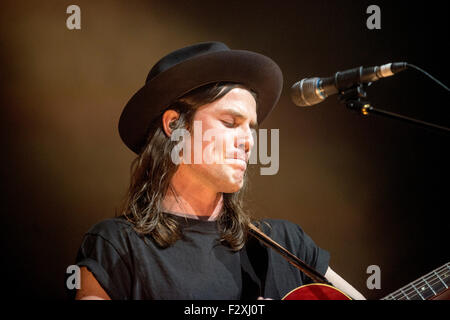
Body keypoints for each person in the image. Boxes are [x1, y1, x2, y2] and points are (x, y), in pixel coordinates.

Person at [72, 42, 366, 300]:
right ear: (174, 126)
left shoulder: (287, 245)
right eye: (230, 122)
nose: (249, 141)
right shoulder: (116, 245)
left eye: (251, 128)